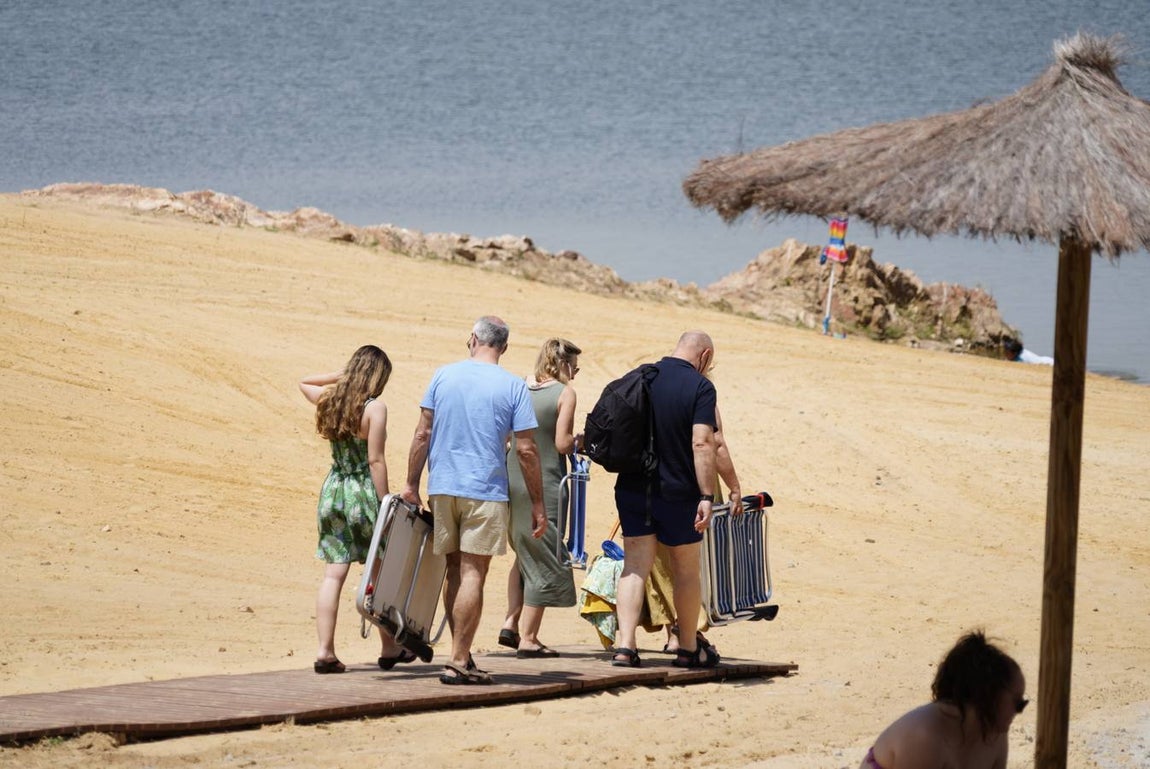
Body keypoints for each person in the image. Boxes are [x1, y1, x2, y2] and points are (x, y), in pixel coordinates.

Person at [402, 316, 547, 685]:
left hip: (443, 485)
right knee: (473, 573)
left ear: (472, 339)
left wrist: (410, 483)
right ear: (504, 347)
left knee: (453, 570)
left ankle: (459, 656)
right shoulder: (514, 386)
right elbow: (527, 450)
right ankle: (458, 658)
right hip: (484, 489)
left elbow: (423, 433)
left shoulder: (443, 375)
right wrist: (537, 503)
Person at [611, 330, 724, 669]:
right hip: (678, 492)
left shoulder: (643, 376)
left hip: (632, 488)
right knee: (686, 571)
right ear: (703, 357)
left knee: (634, 567)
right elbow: (703, 443)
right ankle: (687, 647)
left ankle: (625, 647)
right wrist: (707, 494)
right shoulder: (700, 387)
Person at [299, 344, 413, 674]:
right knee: (377, 573)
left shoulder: (331, 401)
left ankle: (325, 651)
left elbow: (305, 382)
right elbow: (375, 460)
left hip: (334, 490)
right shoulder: (374, 408)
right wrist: (385, 502)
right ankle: (390, 647)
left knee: (333, 574)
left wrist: (339, 377)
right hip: (362, 491)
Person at [499, 338, 583, 658]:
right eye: (573, 367)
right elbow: (561, 443)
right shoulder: (565, 394)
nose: (574, 374)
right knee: (546, 553)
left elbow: (507, 436)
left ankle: (511, 621)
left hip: (514, 476)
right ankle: (529, 637)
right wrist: (582, 441)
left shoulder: (519, 387)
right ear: (562, 364)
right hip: (545, 481)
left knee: (524, 551)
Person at [860, 630, 1028, 769]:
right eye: (1017, 702)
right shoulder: (924, 737)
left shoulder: (994, 733)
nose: (1019, 710)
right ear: (988, 697)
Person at [657, 403, 743, 654]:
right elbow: (716, 445)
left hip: (658, 484)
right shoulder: (703, 398)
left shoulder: (657, 390)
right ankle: (686, 633)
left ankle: (673, 634)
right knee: (694, 563)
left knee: (664, 562)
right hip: (696, 485)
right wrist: (734, 487)